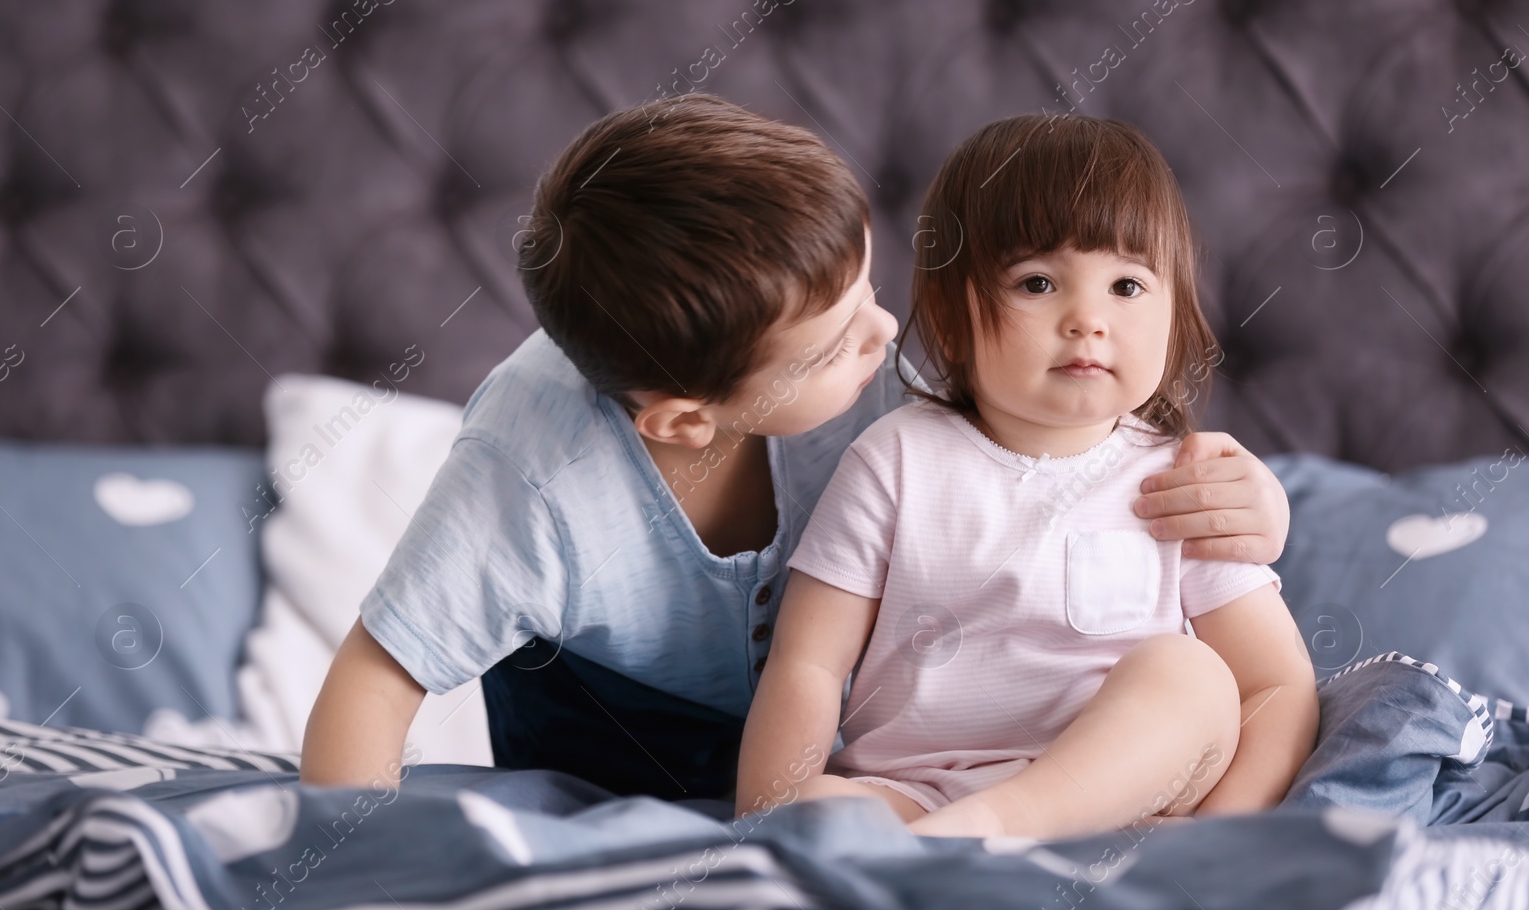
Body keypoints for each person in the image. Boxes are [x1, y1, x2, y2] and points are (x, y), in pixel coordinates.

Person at [299, 95, 1295, 806]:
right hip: (618, 740)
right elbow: (375, 680)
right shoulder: (530, 471)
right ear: (687, 416)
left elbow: (1055, 465)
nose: (886, 331)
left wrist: (1261, 507)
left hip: (898, 750)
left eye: (865, 287)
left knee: (1173, 679)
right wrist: (348, 871)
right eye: (835, 340)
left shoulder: (880, 392)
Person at [736, 114, 1319, 839]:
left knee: (1192, 676)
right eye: (1038, 282)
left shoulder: (1180, 479)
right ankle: (967, 848)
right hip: (918, 798)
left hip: (1126, 794)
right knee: (816, 810)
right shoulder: (894, 461)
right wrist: (768, 815)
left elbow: (1276, 684)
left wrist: (1226, 834)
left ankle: (1002, 830)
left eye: (1128, 286)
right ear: (950, 321)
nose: (1087, 319)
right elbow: (809, 664)